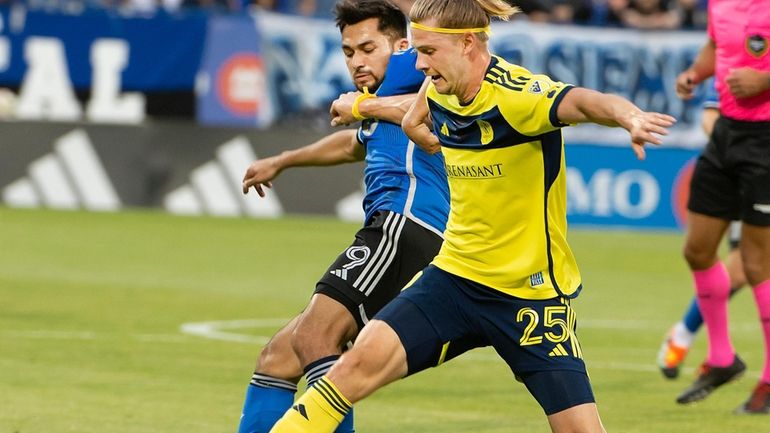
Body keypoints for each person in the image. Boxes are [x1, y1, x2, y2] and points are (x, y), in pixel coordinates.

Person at [267, 1, 675, 432]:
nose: (419, 64)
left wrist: (629, 116)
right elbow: (414, 109)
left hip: (529, 299)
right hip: (454, 280)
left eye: (428, 52)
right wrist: (410, 125)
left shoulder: (519, 97)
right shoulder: (439, 85)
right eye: (417, 51)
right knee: (347, 373)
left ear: (466, 44)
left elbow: (587, 102)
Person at [236, 2, 450, 432]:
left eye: (368, 47)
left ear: (403, 45)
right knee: (277, 358)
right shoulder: (380, 97)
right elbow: (354, 144)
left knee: (316, 336)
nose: (357, 61)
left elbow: (427, 106)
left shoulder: (414, 70)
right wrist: (283, 160)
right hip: (392, 228)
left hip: (405, 225)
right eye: (349, 51)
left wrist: (365, 108)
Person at [673, 0, 770, 413]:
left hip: (767, 140)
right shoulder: (720, 2)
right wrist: (697, 72)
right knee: (697, 250)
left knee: (756, 263)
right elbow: (716, 45)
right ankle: (722, 357)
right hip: (727, 134)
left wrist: (765, 80)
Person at [656, 83, 747, 380]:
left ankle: (688, 336)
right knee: (744, 266)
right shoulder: (736, 56)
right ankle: (688, 335)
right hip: (751, 173)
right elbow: (711, 117)